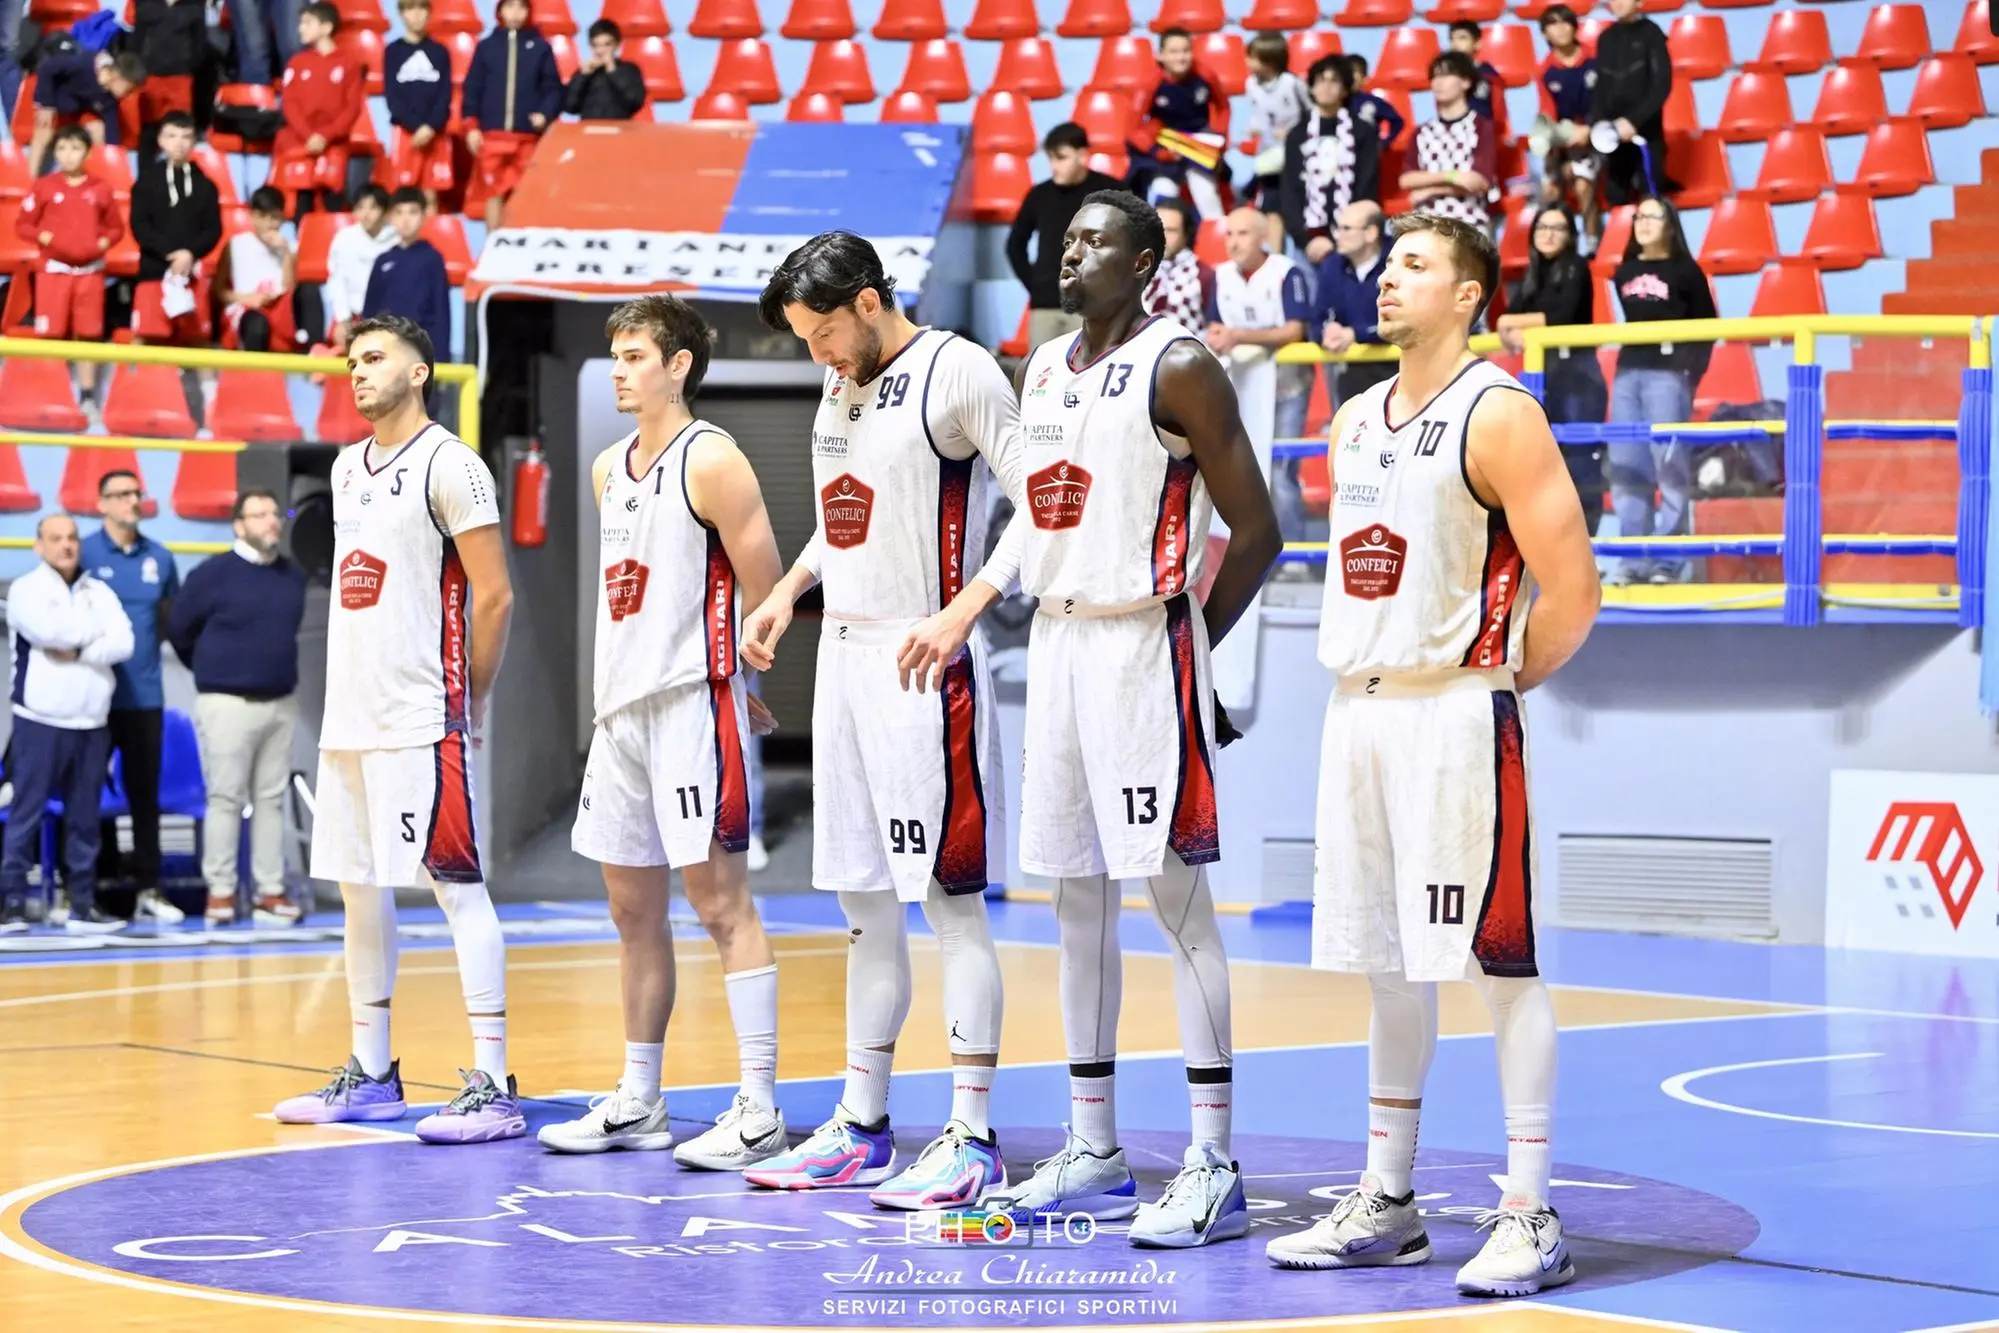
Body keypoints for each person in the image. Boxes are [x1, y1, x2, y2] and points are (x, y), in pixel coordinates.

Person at [1264, 212, 1600, 1295]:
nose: (1386, 278)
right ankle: (1388, 1198)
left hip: (1455, 712)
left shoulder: (1498, 412)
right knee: (1386, 964)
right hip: (1358, 710)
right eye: (1386, 263)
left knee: (1501, 964)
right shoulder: (1353, 416)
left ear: (1467, 296)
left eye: (1414, 264)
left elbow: (1573, 590)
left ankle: (1530, 1210)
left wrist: (1494, 681)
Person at [994, 190, 1281, 1246]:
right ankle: (1093, 1148)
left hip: (1142, 645)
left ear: (1147, 260)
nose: (1071, 253)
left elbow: (1258, 531)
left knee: (1177, 899)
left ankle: (1213, 1163)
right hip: (1059, 642)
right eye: (1066, 238)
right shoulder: (1040, 366)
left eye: (1095, 240)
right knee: (1074, 897)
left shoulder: (1180, 364)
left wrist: (1191, 643)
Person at [740, 232, 1016, 1208]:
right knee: (862, 906)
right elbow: (844, 513)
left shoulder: (959, 370)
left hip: (923, 659)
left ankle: (973, 1136)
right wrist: (788, 589)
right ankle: (861, 1124)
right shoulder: (839, 381)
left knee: (949, 902)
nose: (816, 352)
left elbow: (1044, 507)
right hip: (847, 661)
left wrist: (965, 607)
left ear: (867, 301)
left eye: (821, 331)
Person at [538, 296, 789, 1164]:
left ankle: (759, 1105)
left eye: (635, 355)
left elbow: (766, 586)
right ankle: (640, 1097)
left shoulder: (712, 457)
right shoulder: (607, 468)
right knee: (630, 908)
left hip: (691, 703)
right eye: (615, 355)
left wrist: (741, 678)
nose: (619, 369)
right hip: (620, 712)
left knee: (720, 904)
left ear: (678, 365)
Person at [271, 314, 522, 1143]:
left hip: (422, 713)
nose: (358, 371)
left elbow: (495, 595)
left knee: (457, 888)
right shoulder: (345, 467)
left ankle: (494, 1084)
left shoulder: (453, 465)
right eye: (352, 360)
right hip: (351, 715)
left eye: (375, 358)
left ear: (420, 373)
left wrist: (469, 696)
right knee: (357, 887)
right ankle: (372, 1073)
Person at [167, 489, 308, 926]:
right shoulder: (211, 575)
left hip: (280, 702)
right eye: (259, 514)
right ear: (239, 525)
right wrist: (216, 670)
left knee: (270, 801)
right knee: (226, 799)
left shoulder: (292, 576)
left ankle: (269, 891)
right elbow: (179, 630)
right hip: (226, 703)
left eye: (275, 513)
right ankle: (222, 893)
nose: (271, 521)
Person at [0, 516, 133, 934]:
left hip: (92, 722)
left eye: (72, 537)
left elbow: (124, 642)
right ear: (39, 546)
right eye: (56, 538)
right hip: (40, 720)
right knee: (25, 814)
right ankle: (11, 904)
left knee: (85, 820)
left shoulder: (100, 591)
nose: (66, 545)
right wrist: (94, 634)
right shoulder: (25, 590)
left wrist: (79, 650)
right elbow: (49, 633)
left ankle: (82, 905)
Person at [83, 469, 182, 925]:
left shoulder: (159, 558)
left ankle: (148, 888)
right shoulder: (83, 553)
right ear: (101, 503)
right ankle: (88, 888)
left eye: (135, 493)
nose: (131, 501)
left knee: (145, 798)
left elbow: (167, 619)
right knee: (85, 796)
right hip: (94, 700)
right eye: (120, 494)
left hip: (145, 698)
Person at [1607, 197, 1713, 584]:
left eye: (1654, 216)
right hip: (1627, 374)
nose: (1644, 223)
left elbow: (1708, 327)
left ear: (1670, 225)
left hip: (1667, 376)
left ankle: (1668, 560)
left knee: (1670, 466)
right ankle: (1632, 559)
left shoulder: (1687, 270)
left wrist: (1687, 376)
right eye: (1639, 216)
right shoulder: (1625, 271)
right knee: (1627, 466)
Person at [1498, 205, 1606, 533]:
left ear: (1570, 236)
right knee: (1543, 461)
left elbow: (1562, 316)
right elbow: (1513, 317)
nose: (1548, 234)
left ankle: (1586, 540)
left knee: (1580, 462)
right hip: (1546, 380)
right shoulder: (1534, 273)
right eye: (1542, 227)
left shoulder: (1576, 267)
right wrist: (1511, 323)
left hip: (1578, 380)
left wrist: (1510, 322)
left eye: (1557, 228)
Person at [16, 125, 121, 417]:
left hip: (90, 274)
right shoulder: (44, 186)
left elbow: (116, 228)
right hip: (54, 273)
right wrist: (44, 236)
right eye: (62, 148)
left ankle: (87, 396)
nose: (68, 155)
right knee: (51, 334)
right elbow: (23, 224)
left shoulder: (101, 188)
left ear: (88, 153)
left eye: (75, 148)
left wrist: (102, 242)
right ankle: (51, 394)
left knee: (88, 335)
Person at [1005, 123, 1122, 354]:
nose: (1054, 166)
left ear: (1082, 155)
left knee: (1091, 371)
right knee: (1040, 373)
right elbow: (1014, 245)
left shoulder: (1110, 192)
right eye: (1051, 158)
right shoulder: (1039, 195)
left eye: (1061, 158)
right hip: (1045, 307)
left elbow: (1128, 243)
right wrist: (1037, 286)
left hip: (1091, 306)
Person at [1205, 205, 1311, 441]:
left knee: (1282, 460)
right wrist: (1216, 337)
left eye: (1243, 233)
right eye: (1229, 234)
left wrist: (1237, 336)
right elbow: (1215, 326)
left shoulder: (1287, 271)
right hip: (1239, 383)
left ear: (1263, 237)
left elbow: (1295, 330)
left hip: (1286, 384)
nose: (1234, 243)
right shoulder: (1221, 275)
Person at [462, 0, 564, 230]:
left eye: (521, 7)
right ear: (500, 11)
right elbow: (473, 88)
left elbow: (553, 89)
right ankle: (493, 246)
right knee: (493, 194)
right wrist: (471, 126)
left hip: (526, 136)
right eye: (510, 6)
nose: (515, 13)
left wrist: (545, 114)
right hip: (492, 135)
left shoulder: (541, 48)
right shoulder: (486, 47)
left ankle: (521, 247)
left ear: (529, 11)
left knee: (525, 194)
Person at [130, 112, 221, 350]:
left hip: (191, 274)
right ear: (161, 140)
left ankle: (210, 380)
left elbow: (213, 229)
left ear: (194, 141)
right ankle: (134, 378)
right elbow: (139, 226)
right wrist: (170, 253)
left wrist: (189, 254)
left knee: (198, 341)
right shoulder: (146, 182)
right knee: (145, 338)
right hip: (153, 272)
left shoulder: (206, 185)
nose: (178, 143)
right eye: (171, 136)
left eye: (185, 136)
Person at [1279, 54, 1381, 263]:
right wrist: (1306, 240)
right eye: (1320, 80)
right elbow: (1289, 190)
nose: (1325, 87)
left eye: (1333, 81)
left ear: (1345, 89)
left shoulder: (1362, 132)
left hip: (1353, 239)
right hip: (1308, 243)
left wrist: (1344, 235)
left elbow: (1366, 186)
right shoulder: (1298, 135)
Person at [270, 2, 364, 215]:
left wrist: (325, 136)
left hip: (333, 146)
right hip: (301, 144)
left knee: (333, 204)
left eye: (307, 23)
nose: (300, 28)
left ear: (326, 27)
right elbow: (289, 103)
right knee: (302, 204)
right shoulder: (297, 63)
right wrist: (308, 135)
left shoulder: (348, 63)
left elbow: (352, 108)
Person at [1127, 27, 1231, 220]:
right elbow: (1133, 129)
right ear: (1160, 55)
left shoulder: (1205, 75)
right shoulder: (1151, 83)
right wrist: (1157, 152)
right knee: (1163, 196)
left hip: (1198, 147)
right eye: (1174, 52)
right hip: (1166, 147)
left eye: (1186, 50)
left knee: (1208, 197)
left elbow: (1224, 107)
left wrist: (1220, 137)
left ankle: (1215, 237)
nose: (1181, 57)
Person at [1400, 53, 1498, 234]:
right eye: (1435, 77)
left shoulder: (1481, 126)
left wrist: (1430, 190)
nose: (1438, 83)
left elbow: (1478, 182)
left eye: (1446, 75)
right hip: (1427, 223)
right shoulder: (1422, 131)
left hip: (1469, 222)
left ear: (1466, 82)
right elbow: (1407, 179)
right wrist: (1453, 176)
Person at [1589, 0, 1672, 205]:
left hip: (1646, 132)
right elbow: (1601, 87)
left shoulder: (1652, 34)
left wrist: (1633, 121)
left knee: (1650, 195)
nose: (1618, 3)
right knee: (1615, 196)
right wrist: (1601, 124)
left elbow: (1662, 86)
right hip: (1614, 135)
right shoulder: (1605, 38)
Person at [1314, 200, 1394, 408]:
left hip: (1400, 371)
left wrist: (1355, 334)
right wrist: (1327, 331)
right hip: (1352, 375)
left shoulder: (1398, 262)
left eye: (1346, 228)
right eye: (1337, 228)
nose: (1337, 236)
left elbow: (1407, 320)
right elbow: (1317, 318)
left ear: (1371, 232)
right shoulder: (1331, 265)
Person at [362, 187, 451, 362]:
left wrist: (440, 357)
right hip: (384, 349)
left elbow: (441, 312)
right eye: (399, 212)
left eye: (413, 212)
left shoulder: (433, 259)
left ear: (424, 216)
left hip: (418, 350)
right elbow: (370, 310)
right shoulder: (383, 260)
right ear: (390, 217)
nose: (406, 219)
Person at [28, 47, 146, 176]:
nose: (128, 94)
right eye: (128, 89)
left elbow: (111, 124)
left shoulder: (110, 97)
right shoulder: (83, 65)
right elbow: (47, 68)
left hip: (78, 111)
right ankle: (30, 179)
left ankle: (93, 178)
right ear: (118, 77)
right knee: (45, 127)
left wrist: (114, 153)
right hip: (54, 103)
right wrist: (46, 104)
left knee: (99, 130)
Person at [1532, 5, 1598, 238]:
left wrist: (1589, 130)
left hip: (1599, 137)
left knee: (1582, 185)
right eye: (1552, 24)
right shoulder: (1545, 71)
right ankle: (1559, 242)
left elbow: (1609, 102)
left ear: (1574, 27)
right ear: (1544, 33)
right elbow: (1548, 116)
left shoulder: (1596, 59)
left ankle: (1592, 245)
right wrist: (1559, 149)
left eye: (1565, 22)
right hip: (1566, 142)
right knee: (1549, 189)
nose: (1560, 29)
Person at [383, 0, 454, 206]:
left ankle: (430, 226)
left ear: (429, 12)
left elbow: (445, 95)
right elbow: (392, 97)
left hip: (435, 132)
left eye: (421, 8)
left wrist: (430, 127)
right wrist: (415, 126)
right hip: (406, 132)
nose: (416, 15)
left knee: (431, 194)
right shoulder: (392, 51)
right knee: (404, 194)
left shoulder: (440, 52)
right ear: (401, 14)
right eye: (410, 9)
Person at [1239, 30, 1307, 246]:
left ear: (1270, 61)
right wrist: (1254, 129)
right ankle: (1276, 254)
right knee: (1271, 206)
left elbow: (1312, 114)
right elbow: (1258, 114)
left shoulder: (1293, 84)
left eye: (1252, 57)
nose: (1247, 62)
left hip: (1295, 157)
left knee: (1293, 206)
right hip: (1269, 156)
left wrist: (1294, 132)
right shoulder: (1251, 84)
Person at [219, 186, 298, 354]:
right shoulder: (235, 245)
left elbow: (290, 287)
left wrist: (286, 253)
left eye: (275, 218)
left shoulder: (289, 248)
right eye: (263, 217)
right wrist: (247, 298)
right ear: (253, 216)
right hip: (245, 309)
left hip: (278, 310)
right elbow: (218, 290)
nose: (269, 224)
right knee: (257, 324)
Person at [325, 184, 396, 349]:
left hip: (388, 320)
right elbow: (337, 281)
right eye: (360, 207)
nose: (366, 214)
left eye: (373, 208)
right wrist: (343, 320)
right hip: (352, 317)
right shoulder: (344, 238)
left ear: (385, 211)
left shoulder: (396, 240)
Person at [1142, 197, 1213, 331]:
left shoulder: (1203, 275)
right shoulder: (1137, 268)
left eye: (1171, 231)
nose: (1162, 237)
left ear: (1186, 234)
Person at [564, 19, 647, 121]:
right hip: (589, 129)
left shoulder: (629, 69)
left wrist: (613, 70)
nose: (601, 50)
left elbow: (636, 101)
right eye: (596, 45)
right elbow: (569, 106)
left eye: (607, 44)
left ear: (617, 45)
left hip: (619, 128)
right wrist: (582, 76)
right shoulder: (584, 73)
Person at [1447, 20, 1510, 141]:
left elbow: (1499, 112)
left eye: (1462, 38)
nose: (1455, 44)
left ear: (1477, 43)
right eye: (1452, 39)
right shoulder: (1446, 76)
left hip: (1484, 137)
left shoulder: (1489, 75)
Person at [1343, 55, 1404, 151]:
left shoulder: (1373, 102)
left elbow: (1398, 121)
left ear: (1365, 79)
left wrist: (1383, 143)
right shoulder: (1335, 102)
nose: (1349, 79)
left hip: (1366, 153)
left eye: (1354, 73)